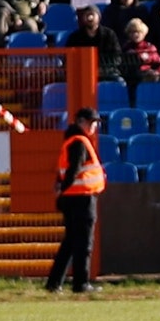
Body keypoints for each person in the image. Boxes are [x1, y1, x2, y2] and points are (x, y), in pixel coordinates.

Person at [46, 108, 105, 294]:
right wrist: (64, 190)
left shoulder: (70, 140)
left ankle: (54, 283)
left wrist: (61, 192)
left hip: (72, 199)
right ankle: (81, 283)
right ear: (81, 122)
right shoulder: (80, 142)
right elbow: (73, 171)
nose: (94, 126)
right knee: (84, 242)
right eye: (91, 122)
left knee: (70, 242)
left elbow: (64, 172)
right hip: (82, 198)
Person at [65, 5, 122, 77]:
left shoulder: (109, 34)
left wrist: (104, 69)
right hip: (82, 72)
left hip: (106, 72)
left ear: (99, 17)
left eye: (92, 14)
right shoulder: (75, 37)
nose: (90, 18)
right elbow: (69, 58)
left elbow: (117, 56)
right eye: (87, 15)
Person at [121, 18, 160, 84]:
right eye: (132, 32)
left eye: (138, 32)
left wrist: (158, 71)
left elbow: (159, 63)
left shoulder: (150, 47)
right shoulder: (126, 48)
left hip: (152, 73)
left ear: (143, 33)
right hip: (135, 76)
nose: (135, 35)